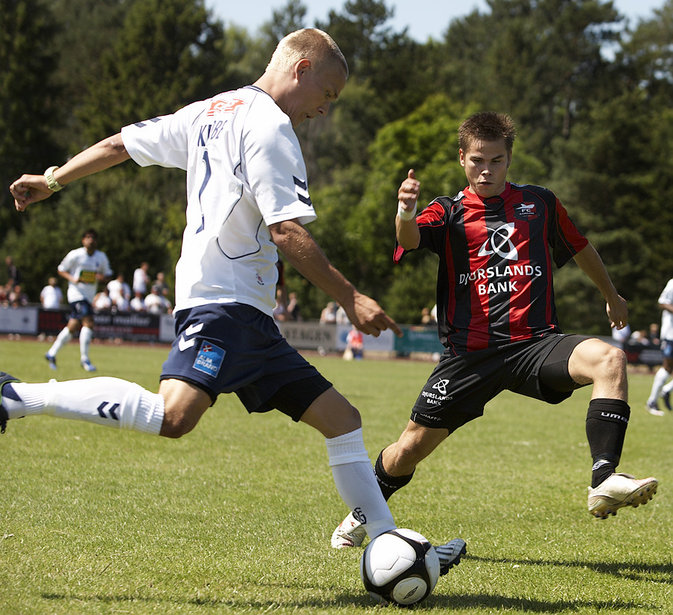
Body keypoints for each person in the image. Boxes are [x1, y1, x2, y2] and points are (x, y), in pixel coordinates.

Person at [4, 29, 465, 574]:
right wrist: (351, 297)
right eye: (328, 94)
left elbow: (119, 146)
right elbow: (286, 231)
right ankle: (17, 396)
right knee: (173, 415)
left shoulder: (210, 110)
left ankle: (392, 546)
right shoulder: (272, 128)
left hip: (248, 315)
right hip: (224, 305)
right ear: (301, 69)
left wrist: (53, 179)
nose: (325, 109)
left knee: (342, 419)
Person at [331, 111, 658, 550]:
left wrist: (612, 294)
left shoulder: (539, 203)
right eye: (478, 160)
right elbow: (408, 240)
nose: (487, 170)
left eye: (497, 161)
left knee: (610, 358)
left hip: (535, 345)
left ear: (509, 159)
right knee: (408, 448)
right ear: (461, 158)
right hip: (469, 356)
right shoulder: (447, 210)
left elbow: (580, 246)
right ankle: (363, 513)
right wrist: (405, 210)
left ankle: (603, 478)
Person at [42, 229, 112, 372]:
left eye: (93, 238)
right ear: (83, 240)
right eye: (88, 237)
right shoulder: (75, 254)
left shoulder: (101, 257)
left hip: (89, 296)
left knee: (72, 326)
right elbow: (61, 269)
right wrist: (73, 279)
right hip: (76, 294)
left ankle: (51, 353)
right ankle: (85, 359)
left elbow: (108, 274)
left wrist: (101, 277)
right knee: (88, 322)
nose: (90, 240)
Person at [646, 278, 673, 415]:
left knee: (668, 368)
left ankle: (666, 390)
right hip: (671, 335)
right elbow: (662, 302)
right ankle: (652, 401)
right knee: (667, 367)